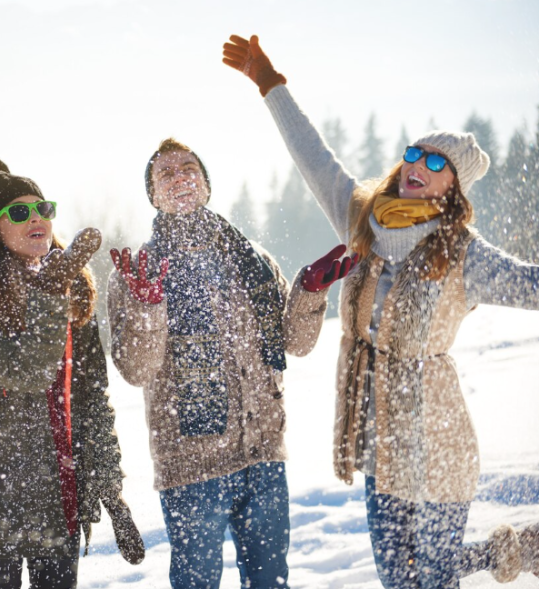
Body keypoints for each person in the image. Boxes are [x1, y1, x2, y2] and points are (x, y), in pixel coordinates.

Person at [223, 33, 539, 587]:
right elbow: (314, 157)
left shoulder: (463, 252)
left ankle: (511, 550)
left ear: (452, 188)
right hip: (377, 445)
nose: (416, 162)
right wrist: (270, 85)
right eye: (413, 153)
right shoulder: (361, 220)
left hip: (438, 441)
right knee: (400, 580)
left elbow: (532, 284)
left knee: (433, 577)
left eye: (434, 160)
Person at [106, 137, 355, 588]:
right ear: (153, 196)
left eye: (188, 169)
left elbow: (294, 344)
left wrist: (310, 293)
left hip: (263, 455)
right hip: (192, 469)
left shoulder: (251, 259)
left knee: (270, 582)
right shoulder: (139, 270)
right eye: (165, 174)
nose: (179, 177)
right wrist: (147, 308)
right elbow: (135, 370)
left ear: (205, 184)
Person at [0, 157, 144, 589]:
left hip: (58, 495)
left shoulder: (70, 287)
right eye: (18, 211)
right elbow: (25, 370)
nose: (36, 218)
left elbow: (90, 398)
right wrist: (51, 293)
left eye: (43, 208)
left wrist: (108, 483)